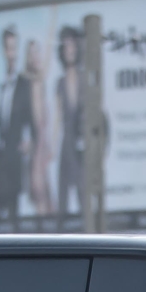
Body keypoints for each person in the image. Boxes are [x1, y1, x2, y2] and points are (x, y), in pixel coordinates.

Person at [0, 25, 32, 229]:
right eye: (8, 48)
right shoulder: (2, 85)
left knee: (5, 208)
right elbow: (3, 128)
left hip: (16, 158)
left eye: (14, 48)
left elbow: (32, 121)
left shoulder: (24, 84)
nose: (11, 53)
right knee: (0, 210)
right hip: (4, 156)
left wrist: (29, 142)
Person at [54, 25, 85, 220]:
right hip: (66, 147)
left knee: (84, 195)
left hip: (83, 148)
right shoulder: (59, 83)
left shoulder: (86, 79)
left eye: (72, 45)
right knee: (63, 199)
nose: (70, 50)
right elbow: (57, 120)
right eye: (66, 46)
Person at [24, 38, 55, 220]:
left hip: (43, 145)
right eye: (32, 53)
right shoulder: (28, 84)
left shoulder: (42, 83)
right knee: (38, 192)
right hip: (36, 147)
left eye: (38, 52)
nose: (36, 57)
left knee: (47, 195)